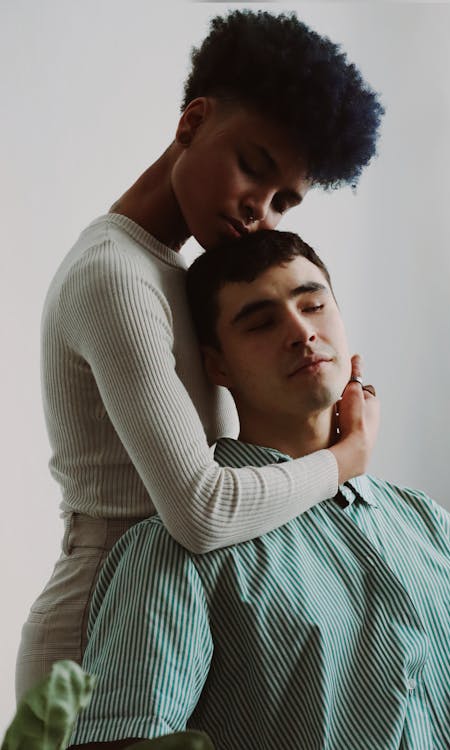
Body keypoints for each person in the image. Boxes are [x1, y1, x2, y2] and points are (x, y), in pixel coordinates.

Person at [15, 10, 384, 701]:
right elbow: (200, 509)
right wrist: (343, 461)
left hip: (175, 620)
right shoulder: (114, 275)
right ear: (193, 121)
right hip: (95, 642)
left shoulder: (173, 274)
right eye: (254, 167)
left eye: (284, 201)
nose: (259, 212)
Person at [68, 230, 450, 750]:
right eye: (261, 323)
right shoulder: (172, 552)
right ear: (218, 365)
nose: (301, 332)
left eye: (314, 305)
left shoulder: (430, 525)